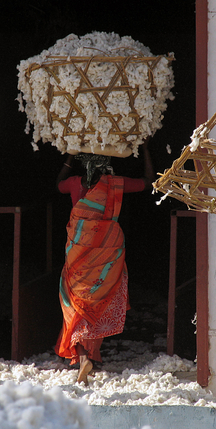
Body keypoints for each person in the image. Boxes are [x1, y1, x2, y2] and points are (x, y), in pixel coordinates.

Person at [54, 141, 154, 385]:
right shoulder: (115, 184)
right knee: (98, 301)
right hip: (108, 254)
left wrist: (69, 155)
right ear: (107, 166)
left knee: (73, 303)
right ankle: (89, 355)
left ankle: (83, 355)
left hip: (78, 255)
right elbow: (149, 181)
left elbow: (58, 185)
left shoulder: (76, 183)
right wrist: (147, 149)